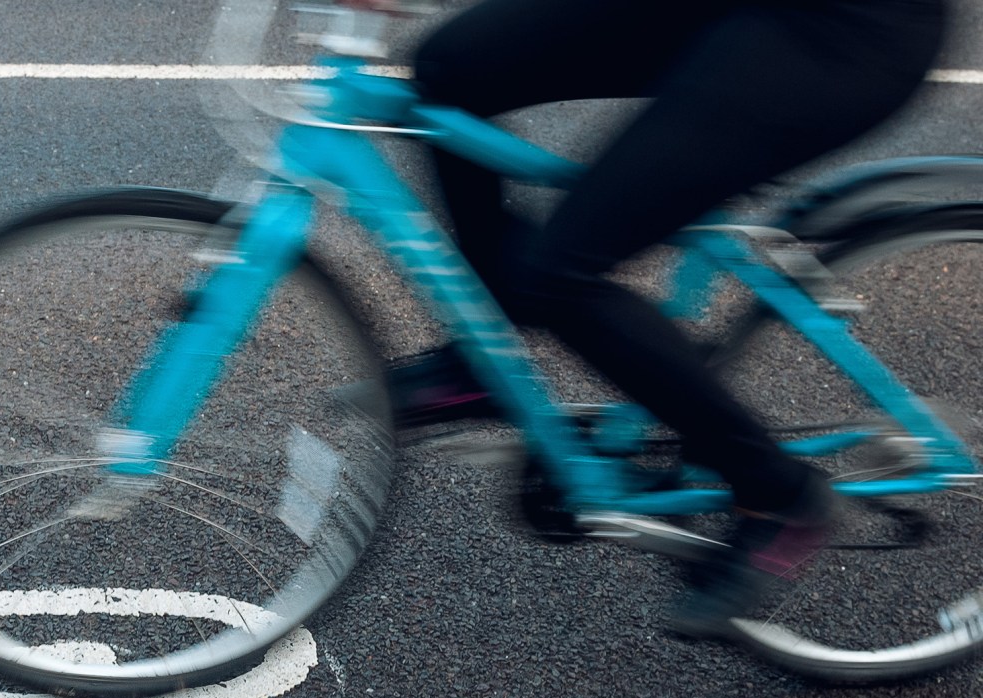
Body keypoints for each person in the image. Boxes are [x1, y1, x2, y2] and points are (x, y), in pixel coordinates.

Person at [344, 0, 949, 636]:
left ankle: (779, 495)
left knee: (557, 273)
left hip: (835, 34)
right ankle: (485, 356)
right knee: (452, 68)